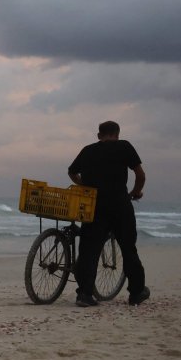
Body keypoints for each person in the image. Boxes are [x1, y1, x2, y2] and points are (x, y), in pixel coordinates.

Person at [68, 121, 150, 307]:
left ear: (99, 136)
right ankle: (137, 292)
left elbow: (72, 172)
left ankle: (84, 295)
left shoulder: (88, 150)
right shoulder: (124, 146)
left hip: (94, 206)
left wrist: (86, 187)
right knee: (128, 248)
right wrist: (135, 192)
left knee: (89, 249)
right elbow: (141, 175)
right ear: (117, 134)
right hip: (120, 205)